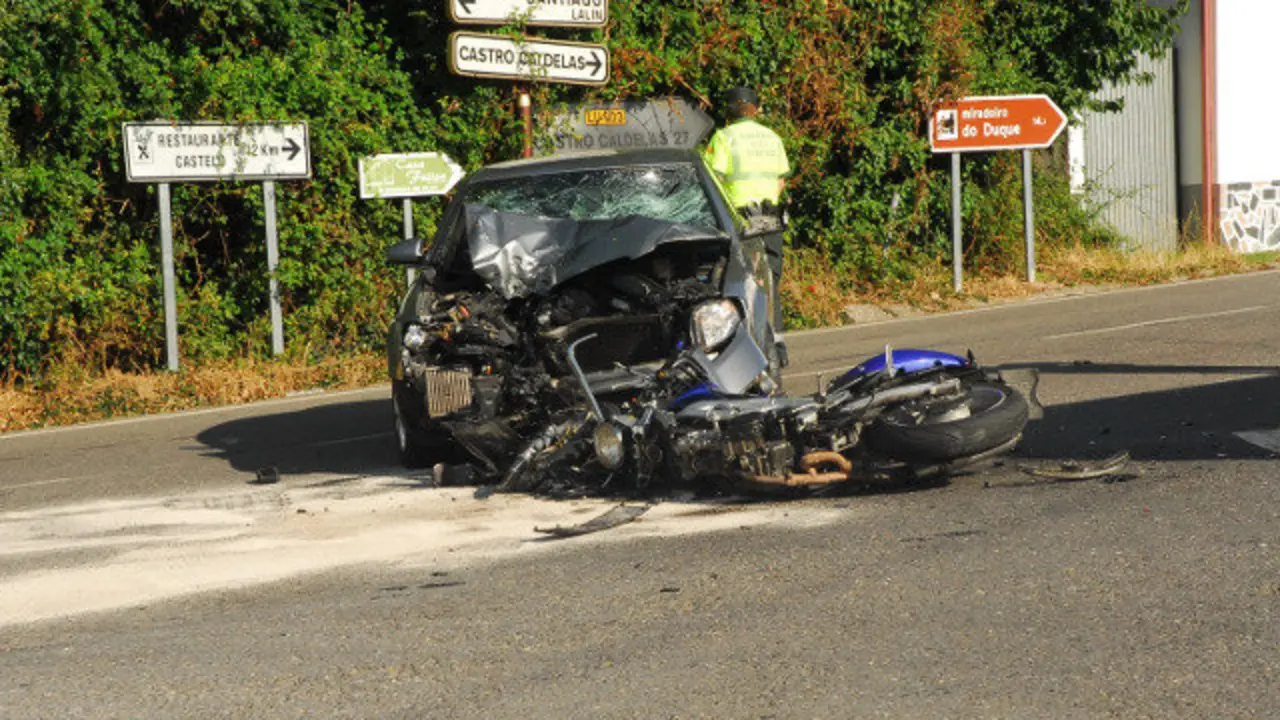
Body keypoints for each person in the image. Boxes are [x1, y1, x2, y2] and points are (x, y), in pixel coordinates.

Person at [703, 86, 791, 358]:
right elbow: (780, 180)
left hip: (740, 221)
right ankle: (776, 344)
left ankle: (743, 347)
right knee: (770, 280)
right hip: (770, 220)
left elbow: (711, 181)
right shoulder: (772, 138)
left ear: (731, 109)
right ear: (755, 109)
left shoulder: (724, 138)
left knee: (739, 282)